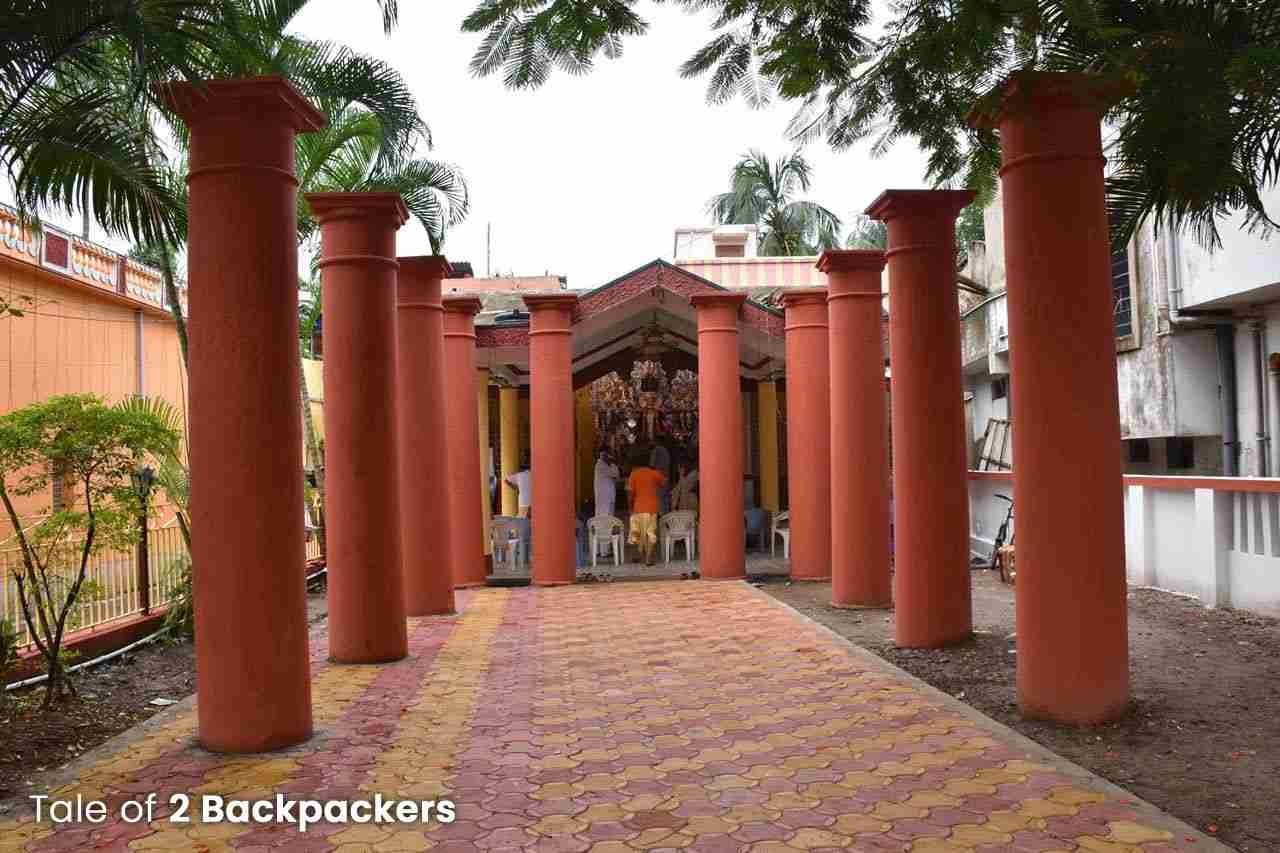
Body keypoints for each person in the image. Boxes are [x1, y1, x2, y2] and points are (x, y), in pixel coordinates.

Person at [626, 447, 667, 566]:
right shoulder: (654, 473)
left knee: (636, 532)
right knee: (650, 533)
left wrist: (629, 507)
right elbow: (664, 482)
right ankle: (648, 558)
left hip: (638, 508)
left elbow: (630, 493)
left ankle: (638, 555)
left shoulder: (634, 474)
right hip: (652, 508)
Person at [504, 453, 532, 518]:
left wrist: (515, 488)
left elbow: (506, 480)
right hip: (533, 500)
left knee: (522, 519)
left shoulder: (519, 475)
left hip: (523, 501)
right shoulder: (535, 474)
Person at [649, 438, 672, 513]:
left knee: (658, 496)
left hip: (657, 476)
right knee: (665, 496)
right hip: (665, 475)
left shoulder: (656, 450)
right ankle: (665, 514)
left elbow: (652, 465)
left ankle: (659, 514)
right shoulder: (666, 451)